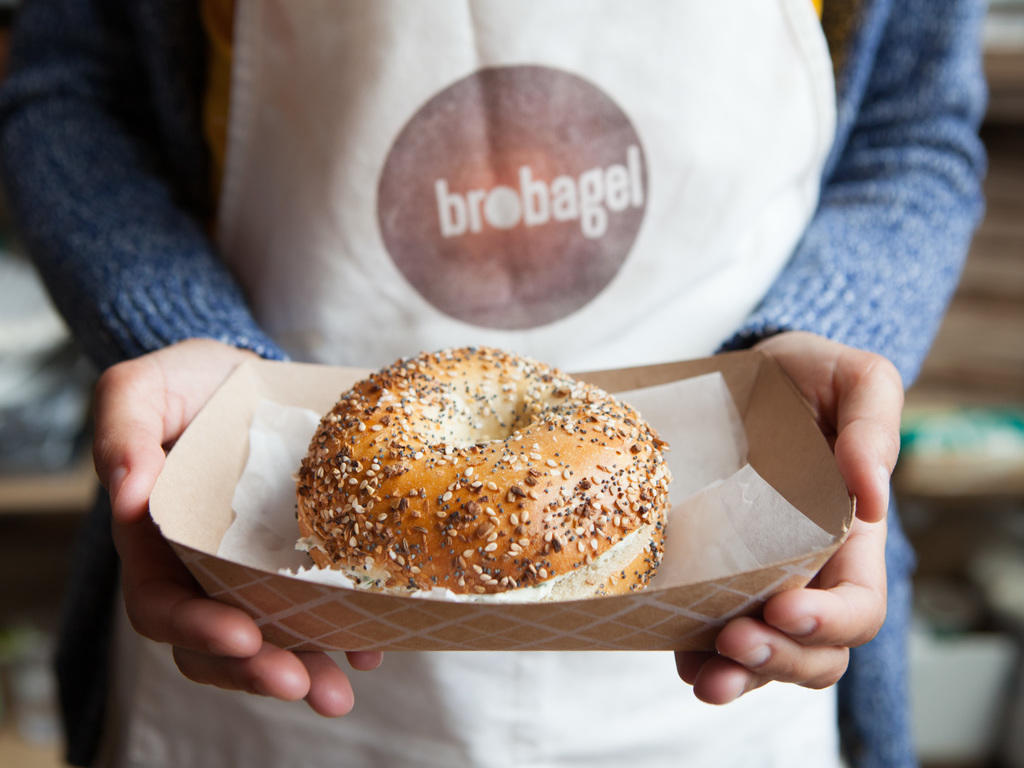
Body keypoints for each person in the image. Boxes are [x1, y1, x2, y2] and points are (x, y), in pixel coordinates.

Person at [0, 0, 987, 766]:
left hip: (729, 588)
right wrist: (184, 340)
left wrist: (820, 353)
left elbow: (912, 128)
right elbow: (69, 94)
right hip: (265, 563)